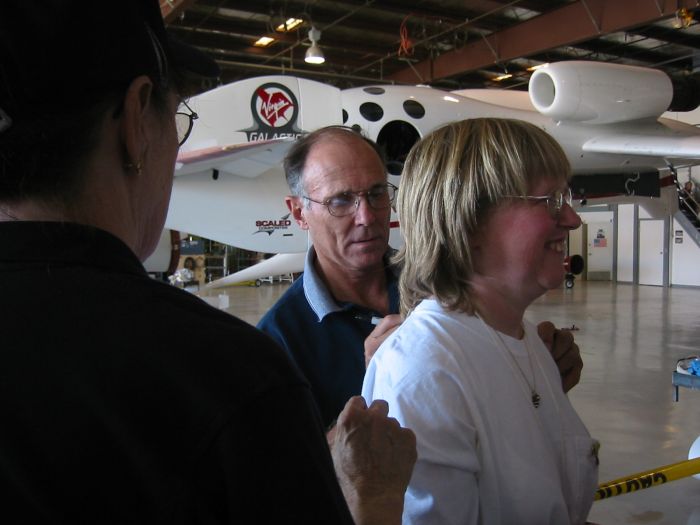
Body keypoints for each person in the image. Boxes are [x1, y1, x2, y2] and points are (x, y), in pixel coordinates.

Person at [0, 2, 415, 523]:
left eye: (377, 193)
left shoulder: (432, 289)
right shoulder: (239, 369)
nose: (365, 216)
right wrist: (371, 496)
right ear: (136, 120)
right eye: (176, 117)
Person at [258, 125, 584, 430]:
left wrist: (532, 375)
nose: (367, 216)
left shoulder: (440, 282)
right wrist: (383, 388)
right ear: (299, 213)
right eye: (340, 201)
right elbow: (292, 475)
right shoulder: (277, 342)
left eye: (376, 194)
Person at [362, 118, 599, 524]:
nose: (573, 219)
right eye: (551, 200)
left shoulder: (521, 340)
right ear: (469, 222)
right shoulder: (424, 372)